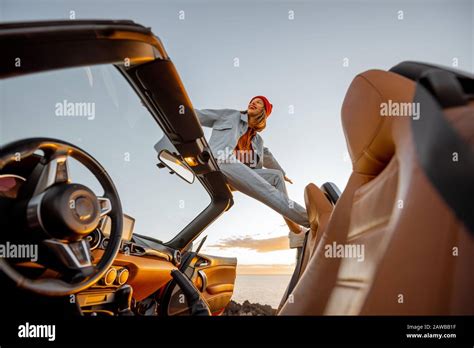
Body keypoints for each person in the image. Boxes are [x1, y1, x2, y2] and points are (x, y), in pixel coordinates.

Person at [195, 96, 309, 248]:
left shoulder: (258, 141)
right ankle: (313, 220)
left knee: (276, 176)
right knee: (267, 191)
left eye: (259, 102)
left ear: (264, 112)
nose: (253, 102)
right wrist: (176, 108)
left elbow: (268, 156)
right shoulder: (231, 115)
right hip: (219, 162)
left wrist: (283, 173)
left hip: (240, 175)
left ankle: (295, 232)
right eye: (252, 101)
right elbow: (197, 115)